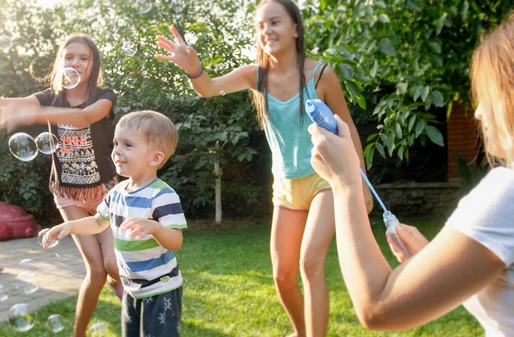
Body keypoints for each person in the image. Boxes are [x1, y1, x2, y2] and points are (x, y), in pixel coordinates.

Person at [155, 1, 372, 336]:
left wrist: (361, 182)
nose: (266, 30)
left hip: (324, 180)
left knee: (309, 264)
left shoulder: (320, 74)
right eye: (259, 25)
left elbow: (348, 128)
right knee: (282, 276)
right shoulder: (255, 75)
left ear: (295, 29)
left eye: (274, 22)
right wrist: (194, 68)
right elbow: (209, 88)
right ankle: (301, 332)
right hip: (284, 187)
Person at [307, 13, 514, 337]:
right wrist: (438, 259)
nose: (478, 112)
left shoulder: (507, 192)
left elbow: (377, 306)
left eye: (487, 96)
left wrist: (345, 181)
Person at [0, 32, 121, 337]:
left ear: (93, 64)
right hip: (68, 195)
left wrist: (32, 112)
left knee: (113, 265)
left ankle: (135, 311)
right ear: (60, 61)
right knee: (96, 271)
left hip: (106, 192)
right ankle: (78, 334)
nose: (76, 62)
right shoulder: (50, 97)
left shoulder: (104, 95)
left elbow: (84, 117)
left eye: (84, 57)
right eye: (69, 56)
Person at [45, 110, 187, 337]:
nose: (117, 151)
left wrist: (155, 227)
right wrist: (70, 226)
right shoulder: (117, 192)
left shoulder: (162, 195)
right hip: (132, 288)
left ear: (155, 158)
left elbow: (176, 241)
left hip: (160, 290)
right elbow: (97, 222)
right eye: (115, 143)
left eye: (128, 145)